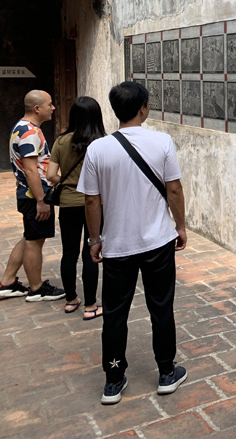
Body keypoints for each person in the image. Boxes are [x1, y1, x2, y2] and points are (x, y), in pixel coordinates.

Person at [78, 81, 188, 405]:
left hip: (117, 246)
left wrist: (94, 239)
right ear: (144, 108)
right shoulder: (162, 141)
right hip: (158, 243)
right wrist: (180, 226)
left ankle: (113, 380)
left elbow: (91, 200)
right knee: (161, 307)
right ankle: (166, 372)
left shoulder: (98, 149)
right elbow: (174, 189)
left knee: (114, 314)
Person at [0, 90, 65, 302]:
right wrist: (41, 200)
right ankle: (36, 289)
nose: (53, 108)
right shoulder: (29, 132)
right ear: (37, 108)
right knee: (35, 241)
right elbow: (30, 170)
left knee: (30, 237)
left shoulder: (24, 128)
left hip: (29, 194)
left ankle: (8, 282)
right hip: (33, 195)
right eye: (50, 104)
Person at [47, 96, 106, 319]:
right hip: (95, 205)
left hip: (68, 204)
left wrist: (69, 183)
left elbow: (50, 175)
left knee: (69, 253)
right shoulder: (102, 143)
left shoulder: (61, 142)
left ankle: (71, 300)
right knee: (91, 252)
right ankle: (91, 306)